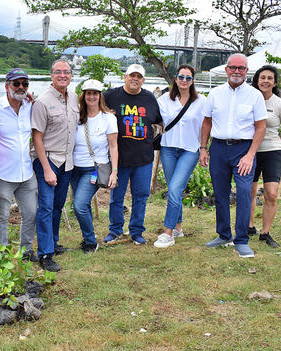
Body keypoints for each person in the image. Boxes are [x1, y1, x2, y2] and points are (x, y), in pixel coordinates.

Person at [199, 53, 267, 258]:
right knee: (220, 193)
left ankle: (242, 240)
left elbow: (260, 127)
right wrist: (203, 148)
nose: (237, 71)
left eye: (241, 68)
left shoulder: (255, 96)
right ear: (226, 70)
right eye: (233, 67)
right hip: (218, 149)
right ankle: (223, 234)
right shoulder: (215, 93)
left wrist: (250, 155)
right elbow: (206, 122)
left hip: (243, 150)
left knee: (245, 192)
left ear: (247, 71)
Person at [102, 64, 162, 245]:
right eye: (131, 75)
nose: (135, 79)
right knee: (116, 197)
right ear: (124, 77)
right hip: (119, 158)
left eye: (139, 76)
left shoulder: (150, 98)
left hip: (143, 158)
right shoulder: (111, 96)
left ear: (143, 80)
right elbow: (91, 107)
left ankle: (136, 231)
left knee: (141, 196)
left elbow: (159, 122)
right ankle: (115, 230)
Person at [31, 59, 79, 271]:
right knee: (46, 207)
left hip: (67, 161)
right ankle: (45, 254)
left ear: (71, 75)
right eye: (58, 72)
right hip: (48, 160)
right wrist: (47, 168)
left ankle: (54, 242)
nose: (62, 75)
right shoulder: (42, 102)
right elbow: (37, 137)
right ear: (51, 75)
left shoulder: (75, 98)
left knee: (58, 205)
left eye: (66, 72)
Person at [0, 68, 38, 262]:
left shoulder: (29, 106)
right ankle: (0, 253)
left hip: (26, 172)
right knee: (2, 216)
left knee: (31, 213)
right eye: (16, 83)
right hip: (2, 173)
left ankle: (26, 251)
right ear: (6, 86)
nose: (21, 87)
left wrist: (31, 99)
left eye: (25, 84)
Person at [153, 64, 206, 248]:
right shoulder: (164, 100)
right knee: (174, 188)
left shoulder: (201, 101)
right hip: (168, 148)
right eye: (181, 77)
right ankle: (178, 227)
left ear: (193, 81)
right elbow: (155, 117)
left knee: (174, 189)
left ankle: (168, 232)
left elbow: (207, 125)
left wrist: (204, 148)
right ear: (175, 79)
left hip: (190, 150)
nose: (184, 81)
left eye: (188, 78)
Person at [70, 79, 118, 253]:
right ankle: (87, 239)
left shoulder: (108, 118)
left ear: (100, 96)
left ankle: (91, 242)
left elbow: (113, 147)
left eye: (95, 93)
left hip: (94, 169)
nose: (91, 96)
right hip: (75, 168)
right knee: (84, 206)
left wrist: (114, 172)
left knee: (79, 205)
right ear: (84, 95)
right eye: (88, 93)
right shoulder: (76, 116)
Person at [249, 65, 281, 248]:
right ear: (257, 80)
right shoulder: (250, 100)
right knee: (249, 192)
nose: (265, 81)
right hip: (250, 151)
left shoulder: (280, 105)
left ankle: (265, 233)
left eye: (269, 78)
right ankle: (249, 226)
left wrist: (279, 145)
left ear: (274, 83)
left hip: (272, 152)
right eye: (262, 77)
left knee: (271, 194)